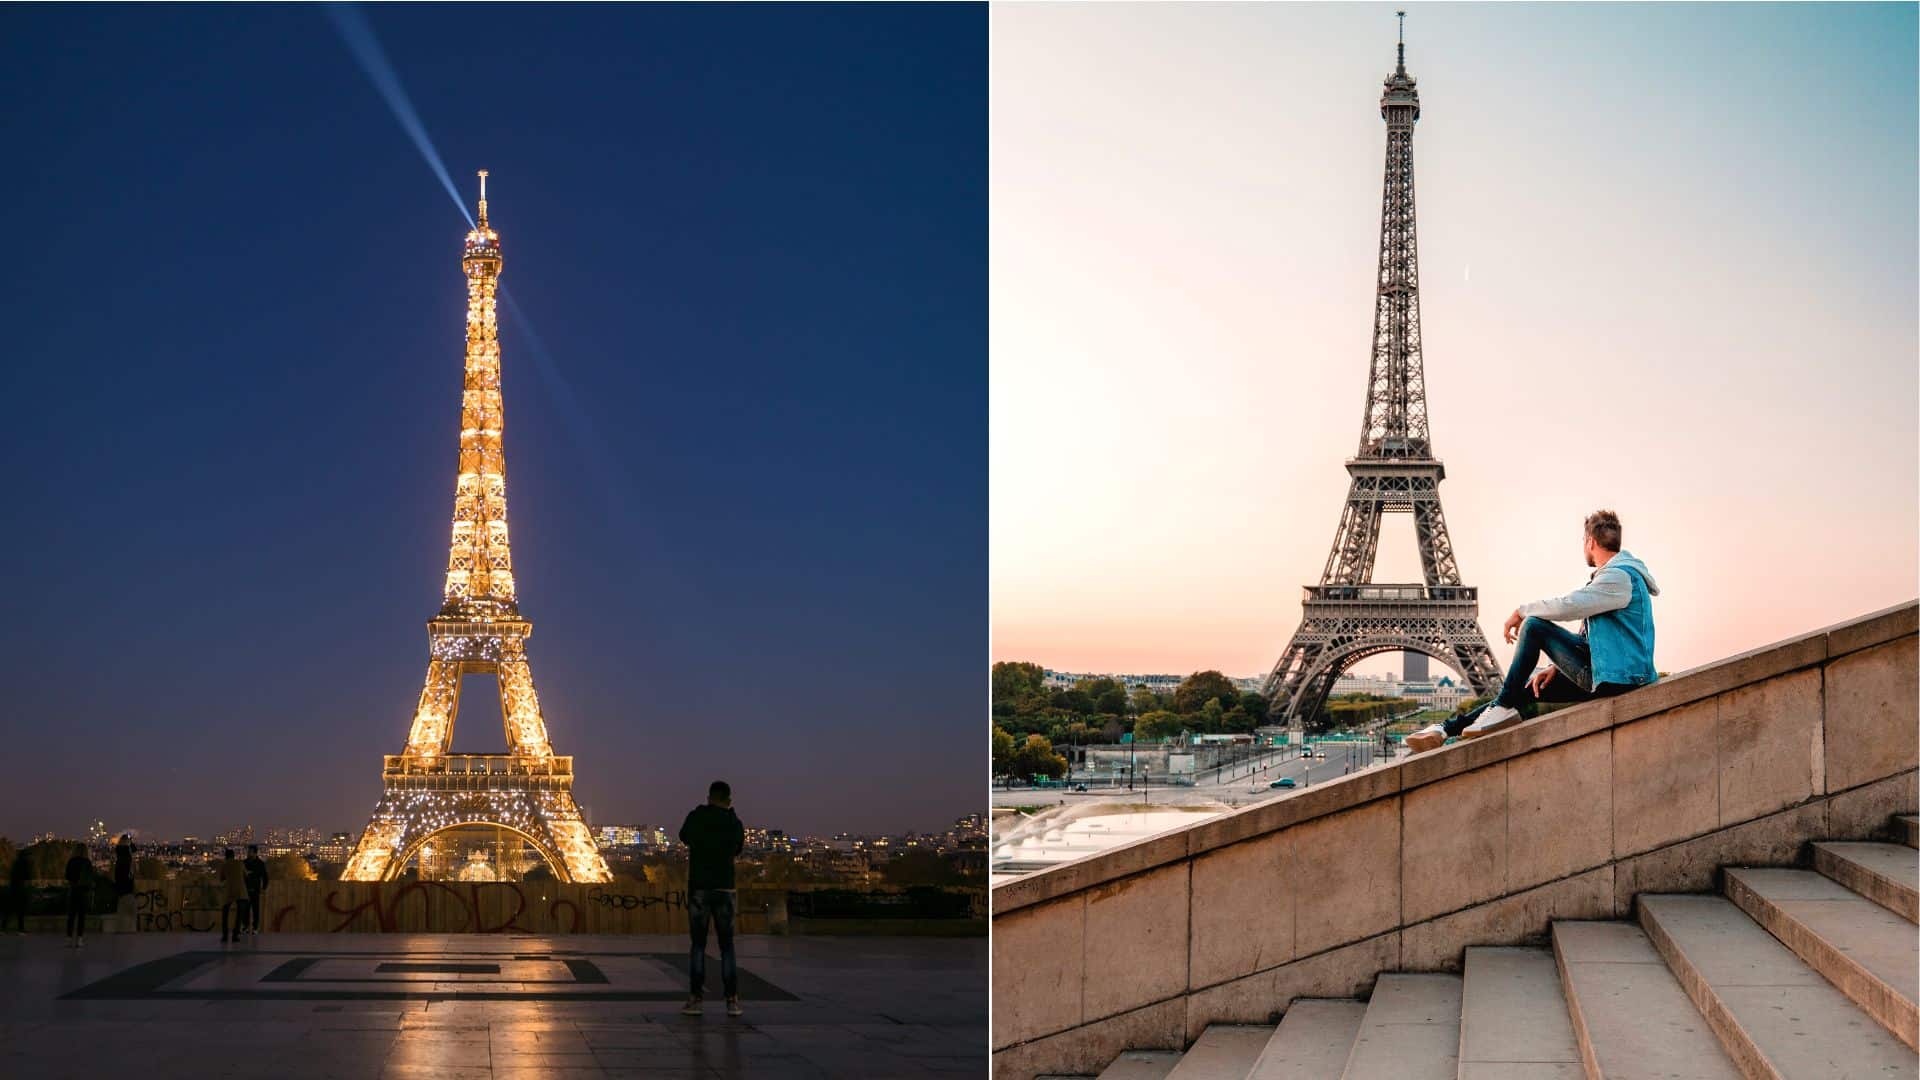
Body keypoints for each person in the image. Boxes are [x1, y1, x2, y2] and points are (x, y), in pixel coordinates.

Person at [1406, 510, 1659, 754]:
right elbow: (1601, 642)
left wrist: (1522, 611)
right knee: (1526, 691)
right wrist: (1558, 668)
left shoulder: (1618, 578)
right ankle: (1446, 729)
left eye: (1583, 541)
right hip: (1612, 675)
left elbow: (1568, 605)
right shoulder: (1615, 577)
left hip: (1621, 680)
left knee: (1534, 625)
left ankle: (1499, 708)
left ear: (1590, 541)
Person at [678, 780, 746, 1018]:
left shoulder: (697, 817)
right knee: (727, 946)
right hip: (725, 889)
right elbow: (737, 847)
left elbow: (684, 836)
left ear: (709, 797)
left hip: (700, 888)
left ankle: (696, 999)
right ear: (728, 800)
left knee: (698, 945)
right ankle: (732, 1000)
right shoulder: (733, 821)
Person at [216, 849, 249, 944]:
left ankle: (225, 935)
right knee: (239, 914)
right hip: (241, 891)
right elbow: (246, 875)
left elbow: (222, 879)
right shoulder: (240, 863)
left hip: (229, 891)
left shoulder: (224, 865)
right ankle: (235, 935)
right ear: (233, 856)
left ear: (226, 856)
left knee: (225, 913)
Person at [63, 844, 92, 947]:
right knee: (81, 917)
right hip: (83, 892)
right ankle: (79, 939)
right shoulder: (87, 862)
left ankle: (69, 939)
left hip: (73, 890)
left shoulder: (71, 862)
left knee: (71, 916)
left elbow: (67, 876)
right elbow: (91, 877)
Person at [243, 845, 269, 936]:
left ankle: (255, 928)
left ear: (254, 853)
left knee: (255, 909)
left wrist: (263, 888)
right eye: (248, 852)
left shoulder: (260, 863)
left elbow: (265, 877)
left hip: (255, 889)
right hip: (245, 889)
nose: (248, 853)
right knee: (245, 909)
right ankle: (245, 926)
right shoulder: (245, 862)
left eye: (250, 852)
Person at [7, 847, 29, 935]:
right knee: (19, 911)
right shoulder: (23, 863)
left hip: (15, 889)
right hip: (19, 890)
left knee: (11, 910)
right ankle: (20, 929)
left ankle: (4, 928)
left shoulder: (17, 863)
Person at [113, 834, 135, 901]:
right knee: (127, 890)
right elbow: (134, 850)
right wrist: (131, 841)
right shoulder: (126, 849)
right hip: (126, 869)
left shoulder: (118, 848)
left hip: (119, 869)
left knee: (120, 889)